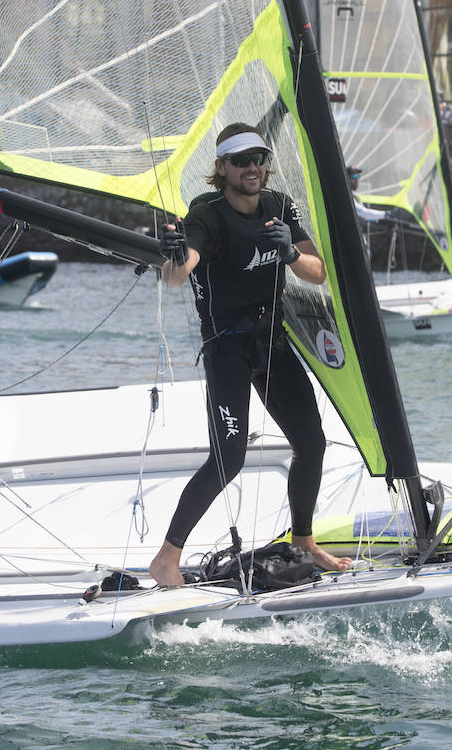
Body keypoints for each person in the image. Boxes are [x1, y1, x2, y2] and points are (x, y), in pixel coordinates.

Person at [148, 123, 355, 587]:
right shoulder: (208, 214)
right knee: (229, 457)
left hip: (272, 344)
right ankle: (166, 558)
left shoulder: (278, 206)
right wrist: (174, 255)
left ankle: (302, 540)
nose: (253, 168)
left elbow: (318, 272)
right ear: (221, 168)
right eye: (241, 161)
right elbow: (177, 277)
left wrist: (291, 256)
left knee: (313, 443)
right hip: (227, 350)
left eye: (259, 158)